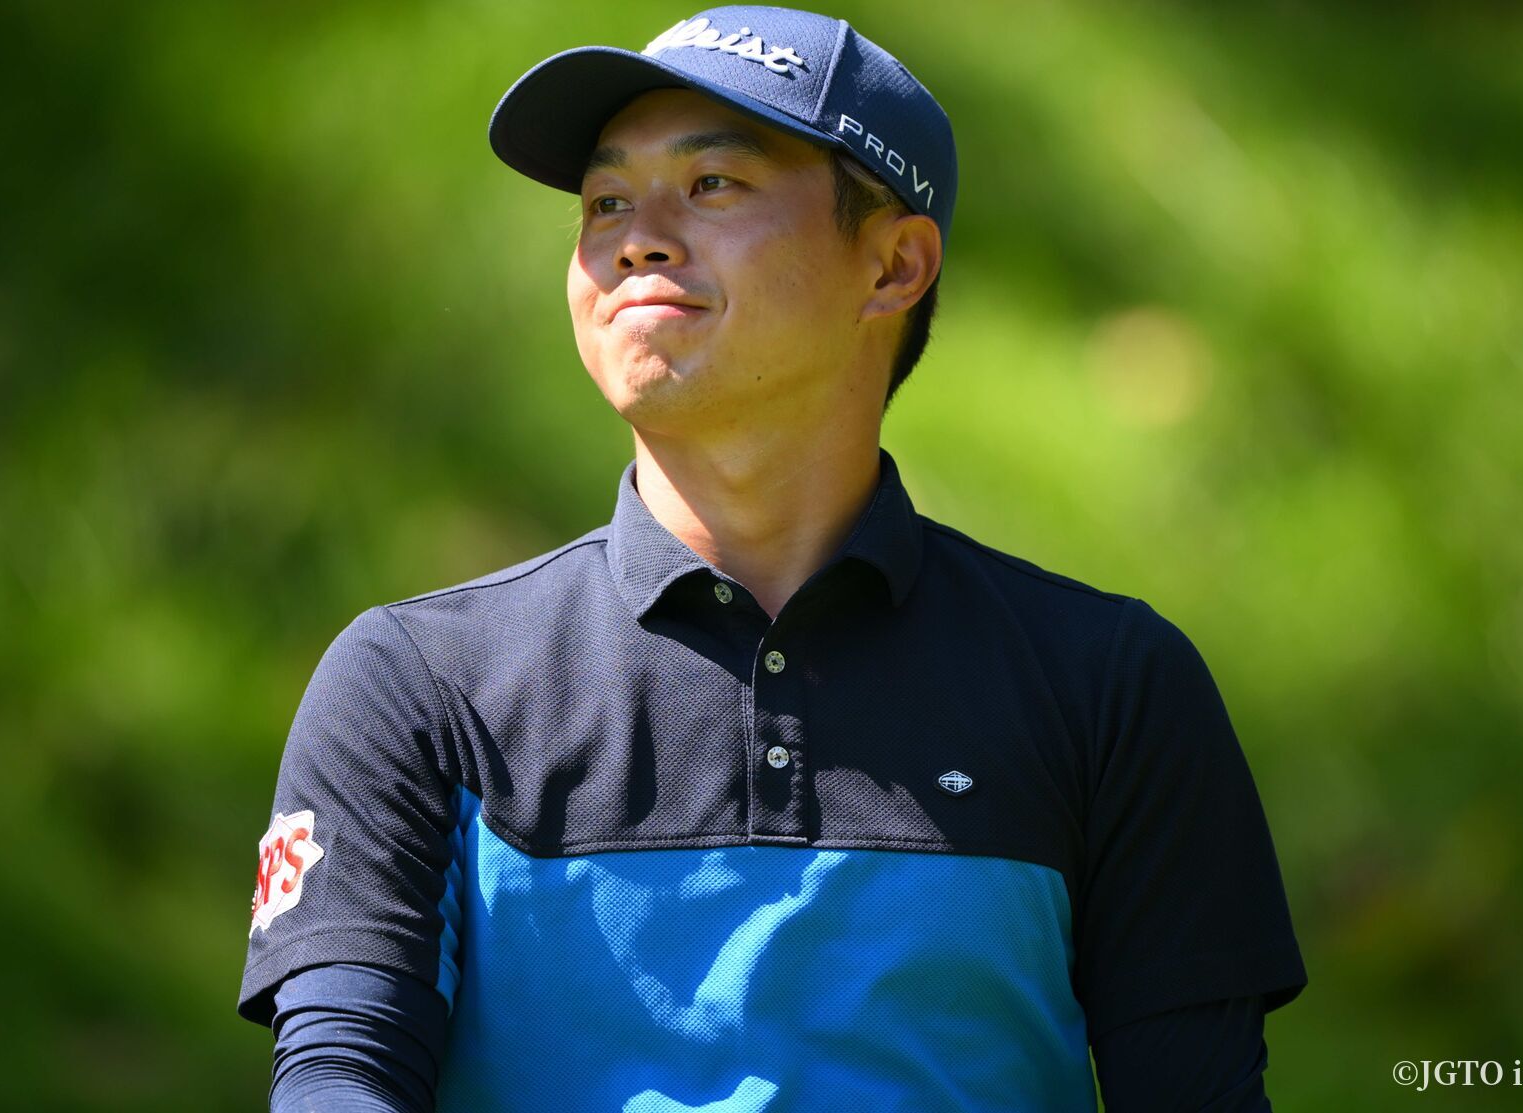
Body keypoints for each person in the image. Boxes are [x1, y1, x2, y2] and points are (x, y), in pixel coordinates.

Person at [237, 6, 1307, 1110]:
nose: (636, 239)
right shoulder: (416, 686)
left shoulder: (1109, 688)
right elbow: (339, 1080)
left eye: (712, 185)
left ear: (893, 265)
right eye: (606, 202)